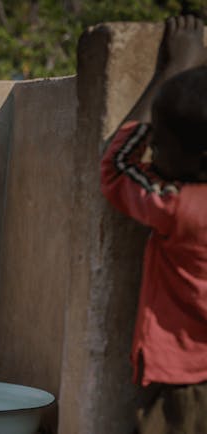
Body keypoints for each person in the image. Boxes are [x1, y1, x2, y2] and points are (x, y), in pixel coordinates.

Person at [100, 15, 207, 434]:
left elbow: (117, 164)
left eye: (160, 141)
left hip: (184, 383)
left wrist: (176, 67)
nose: (154, 149)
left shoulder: (175, 206)